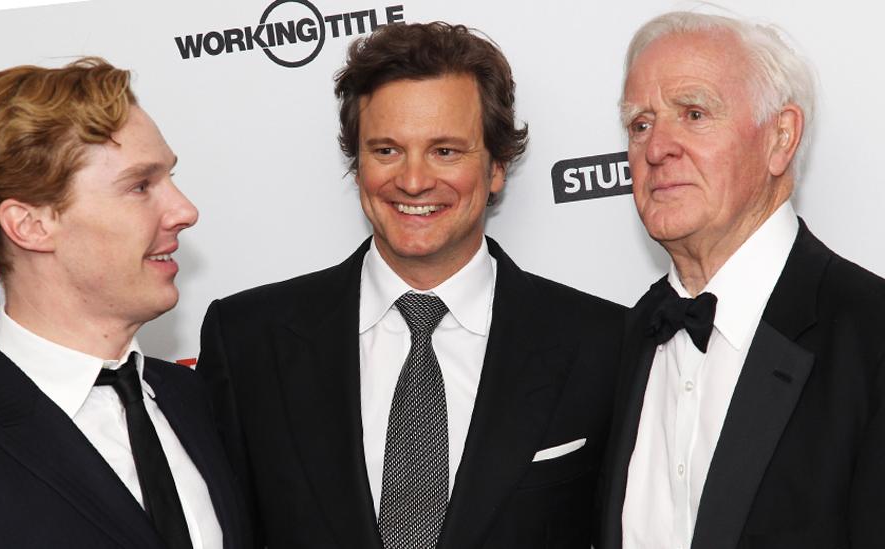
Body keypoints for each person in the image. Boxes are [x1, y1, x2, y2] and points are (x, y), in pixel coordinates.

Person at [197, 21, 623, 549]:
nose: (414, 180)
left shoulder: (605, 344)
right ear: (357, 166)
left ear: (496, 168)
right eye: (386, 151)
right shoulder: (247, 342)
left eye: (445, 151)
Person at [0, 58, 248, 549]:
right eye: (139, 186)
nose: (185, 211)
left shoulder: (195, 400)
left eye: (169, 178)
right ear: (31, 225)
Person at [598, 11, 885, 548]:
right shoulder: (624, 339)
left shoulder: (870, 338)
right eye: (640, 123)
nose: (656, 148)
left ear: (781, 138)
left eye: (694, 113)